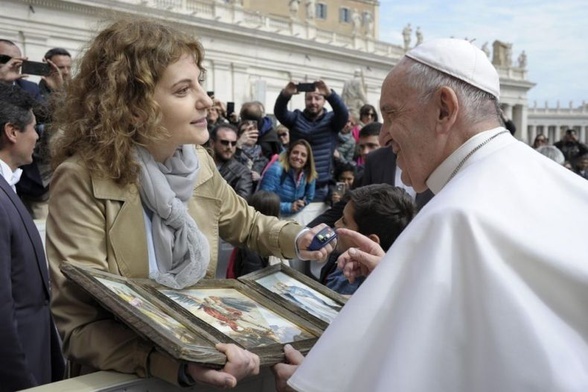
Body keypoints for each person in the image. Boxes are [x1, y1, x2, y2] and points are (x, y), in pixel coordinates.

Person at [275, 38, 588, 391]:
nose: (384, 136)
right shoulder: (560, 182)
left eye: (391, 114)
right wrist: (401, 275)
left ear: (443, 109)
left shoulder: (455, 216)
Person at [46, 18, 334, 389]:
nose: (206, 99)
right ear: (133, 108)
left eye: (200, 81)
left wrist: (300, 239)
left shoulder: (198, 163)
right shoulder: (81, 178)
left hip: (202, 365)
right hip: (124, 379)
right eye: (183, 89)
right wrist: (173, 366)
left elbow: (245, 222)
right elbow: (79, 327)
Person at [0, 83, 65, 390]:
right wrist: (20, 380)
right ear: (12, 132)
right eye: (33, 127)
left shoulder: (8, 187)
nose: (38, 136)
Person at [321, 184, 417, 295]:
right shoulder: (339, 259)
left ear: (371, 241)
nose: (336, 223)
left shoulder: (352, 283)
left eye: (345, 221)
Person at [274, 80, 348, 201]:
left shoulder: (332, 121)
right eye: (309, 98)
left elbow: (343, 114)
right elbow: (280, 113)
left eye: (317, 98)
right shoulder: (296, 118)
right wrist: (285, 94)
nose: (313, 102)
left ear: (324, 101)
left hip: (321, 186)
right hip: (296, 184)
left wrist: (330, 94)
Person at [258, 139, 317, 217]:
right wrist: (289, 207)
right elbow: (264, 199)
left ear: (307, 160)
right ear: (289, 154)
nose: (298, 157)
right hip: (272, 217)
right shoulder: (276, 169)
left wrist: (301, 204)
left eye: (303, 155)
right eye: (295, 152)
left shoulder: (308, 174)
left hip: (292, 217)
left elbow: (309, 197)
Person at [210, 123, 254, 199]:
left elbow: (241, 203)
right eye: (224, 142)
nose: (229, 147)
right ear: (212, 143)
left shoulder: (242, 173)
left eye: (233, 143)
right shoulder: (200, 163)